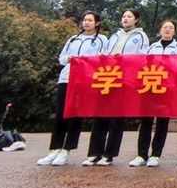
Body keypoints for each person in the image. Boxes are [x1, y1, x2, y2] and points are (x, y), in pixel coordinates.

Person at [38, 11, 108, 167]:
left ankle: (66, 150)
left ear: (97, 23)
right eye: (85, 20)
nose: (86, 23)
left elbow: (102, 58)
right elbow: (62, 58)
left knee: (75, 115)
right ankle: (54, 149)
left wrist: (85, 62)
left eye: (90, 20)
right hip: (66, 79)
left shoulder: (101, 40)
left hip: (84, 80)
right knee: (60, 114)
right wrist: (69, 59)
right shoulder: (73, 39)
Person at [83, 9, 149, 166]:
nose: (125, 19)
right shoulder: (114, 36)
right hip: (107, 77)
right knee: (99, 116)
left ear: (136, 20)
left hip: (125, 79)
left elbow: (142, 56)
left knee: (116, 118)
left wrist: (125, 60)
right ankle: (94, 152)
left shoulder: (141, 36)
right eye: (124, 16)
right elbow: (105, 52)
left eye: (129, 17)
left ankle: (109, 154)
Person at [128, 19, 177, 168]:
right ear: (160, 30)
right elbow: (142, 64)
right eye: (165, 27)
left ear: (175, 31)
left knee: (162, 123)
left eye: (170, 28)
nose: (167, 30)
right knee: (146, 121)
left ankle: (155, 154)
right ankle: (141, 154)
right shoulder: (152, 47)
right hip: (150, 87)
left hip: (167, 89)